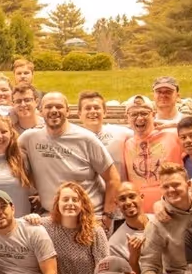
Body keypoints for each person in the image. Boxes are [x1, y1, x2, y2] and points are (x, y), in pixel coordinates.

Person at [19, 92, 119, 220]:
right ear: (40, 111)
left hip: (89, 216)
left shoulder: (86, 139)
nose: (54, 110)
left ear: (67, 111)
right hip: (53, 217)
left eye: (59, 107)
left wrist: (108, 216)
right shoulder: (30, 138)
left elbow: (113, 178)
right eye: (48, 107)